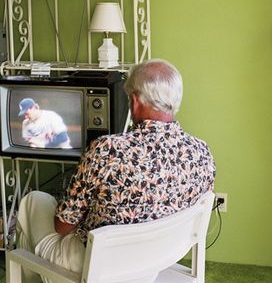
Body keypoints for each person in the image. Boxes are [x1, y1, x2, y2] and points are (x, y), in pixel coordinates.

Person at [15, 59, 216, 282]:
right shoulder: (201, 151)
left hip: (98, 266)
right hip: (159, 258)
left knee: (32, 201)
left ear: (135, 100)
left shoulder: (107, 150)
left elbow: (63, 226)